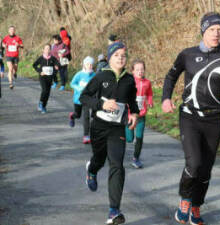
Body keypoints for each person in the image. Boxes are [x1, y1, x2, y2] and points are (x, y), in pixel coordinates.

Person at [161, 12, 220, 225]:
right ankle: (185, 200)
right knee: (194, 163)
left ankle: (197, 206)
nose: (216, 33)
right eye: (211, 30)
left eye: (219, 29)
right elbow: (171, 76)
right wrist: (165, 99)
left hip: (214, 119)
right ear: (203, 31)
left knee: (206, 168)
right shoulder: (187, 55)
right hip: (189, 116)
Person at [80, 42, 139, 225]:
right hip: (99, 127)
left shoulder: (129, 80)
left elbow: (132, 101)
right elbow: (84, 97)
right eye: (116, 55)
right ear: (110, 57)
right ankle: (91, 170)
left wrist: (135, 114)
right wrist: (101, 105)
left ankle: (114, 210)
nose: (120, 58)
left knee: (117, 165)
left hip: (117, 129)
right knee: (99, 158)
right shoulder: (101, 76)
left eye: (123, 55)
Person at [125, 59, 153, 169]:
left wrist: (150, 101)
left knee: (140, 137)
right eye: (137, 69)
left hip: (141, 115)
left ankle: (136, 158)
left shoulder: (147, 82)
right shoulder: (129, 81)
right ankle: (123, 132)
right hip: (130, 115)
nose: (140, 71)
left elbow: (149, 93)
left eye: (142, 69)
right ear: (132, 71)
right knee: (129, 139)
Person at [69, 56, 96, 144]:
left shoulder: (94, 75)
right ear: (84, 65)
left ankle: (86, 135)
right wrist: (79, 88)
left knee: (86, 116)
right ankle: (72, 116)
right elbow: (72, 83)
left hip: (87, 99)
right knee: (78, 115)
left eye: (91, 64)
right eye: (88, 64)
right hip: (78, 99)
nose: (90, 66)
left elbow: (97, 86)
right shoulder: (79, 74)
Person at [32, 44, 60, 114]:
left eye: (49, 49)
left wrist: (56, 67)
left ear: (50, 50)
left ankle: (44, 107)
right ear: (43, 50)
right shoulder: (41, 58)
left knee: (47, 93)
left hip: (49, 78)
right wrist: (39, 71)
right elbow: (34, 65)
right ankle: (41, 103)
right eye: (46, 49)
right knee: (44, 90)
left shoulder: (53, 58)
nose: (47, 50)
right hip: (43, 77)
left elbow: (58, 64)